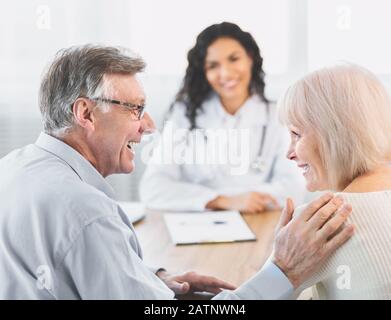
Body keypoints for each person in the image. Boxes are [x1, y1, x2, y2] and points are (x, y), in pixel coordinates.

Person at [0, 45, 353, 299]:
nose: (148, 126)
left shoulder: (13, 168)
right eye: (135, 110)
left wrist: (154, 279)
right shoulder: (84, 210)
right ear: (86, 114)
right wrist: (283, 272)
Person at [140, 22, 305, 213]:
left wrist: (240, 199)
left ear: (250, 58)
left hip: (260, 225)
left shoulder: (277, 116)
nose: (225, 73)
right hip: (198, 227)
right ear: (204, 72)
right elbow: (153, 188)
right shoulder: (184, 116)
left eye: (234, 59)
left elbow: (293, 189)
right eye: (213, 65)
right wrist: (222, 200)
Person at [278, 64, 391, 299]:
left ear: (334, 133)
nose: (289, 152)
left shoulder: (323, 222)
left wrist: (276, 264)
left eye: (296, 134)